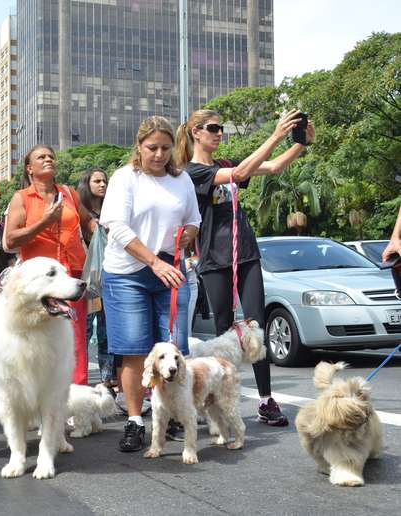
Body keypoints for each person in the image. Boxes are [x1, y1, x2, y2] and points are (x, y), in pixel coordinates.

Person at [175, 108, 314, 426]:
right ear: (196, 132)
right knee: (225, 330)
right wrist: (276, 134)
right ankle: (215, 399)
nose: (219, 133)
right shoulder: (191, 172)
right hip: (214, 260)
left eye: (221, 128)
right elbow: (238, 176)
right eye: (213, 128)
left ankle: (266, 400)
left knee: (256, 328)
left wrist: (300, 144)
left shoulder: (225, 164)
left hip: (246, 254)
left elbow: (274, 166)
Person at [100, 116, 201, 452]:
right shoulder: (125, 178)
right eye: (151, 148)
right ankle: (134, 420)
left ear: (173, 148)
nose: (158, 154)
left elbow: (194, 220)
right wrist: (154, 262)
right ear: (139, 146)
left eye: (165, 148)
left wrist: (188, 234)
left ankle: (172, 416)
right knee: (134, 350)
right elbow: (117, 226)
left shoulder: (182, 179)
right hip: (128, 272)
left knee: (174, 348)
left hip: (170, 270)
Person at [4, 145, 96, 385]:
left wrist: (106, 230)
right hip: (39, 282)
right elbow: (10, 240)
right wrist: (45, 222)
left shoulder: (69, 193)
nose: (48, 159)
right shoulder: (21, 198)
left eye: (51, 156)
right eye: (41, 157)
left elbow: (88, 223)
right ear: (29, 168)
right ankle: (41, 396)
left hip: (72, 273)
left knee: (75, 337)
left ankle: (77, 396)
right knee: (39, 341)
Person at [76, 168, 121, 390]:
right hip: (87, 277)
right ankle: (80, 376)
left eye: (104, 181)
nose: (102, 184)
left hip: (108, 275)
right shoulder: (81, 211)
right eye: (97, 181)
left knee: (106, 328)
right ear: (88, 184)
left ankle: (107, 376)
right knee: (83, 328)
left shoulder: (111, 210)